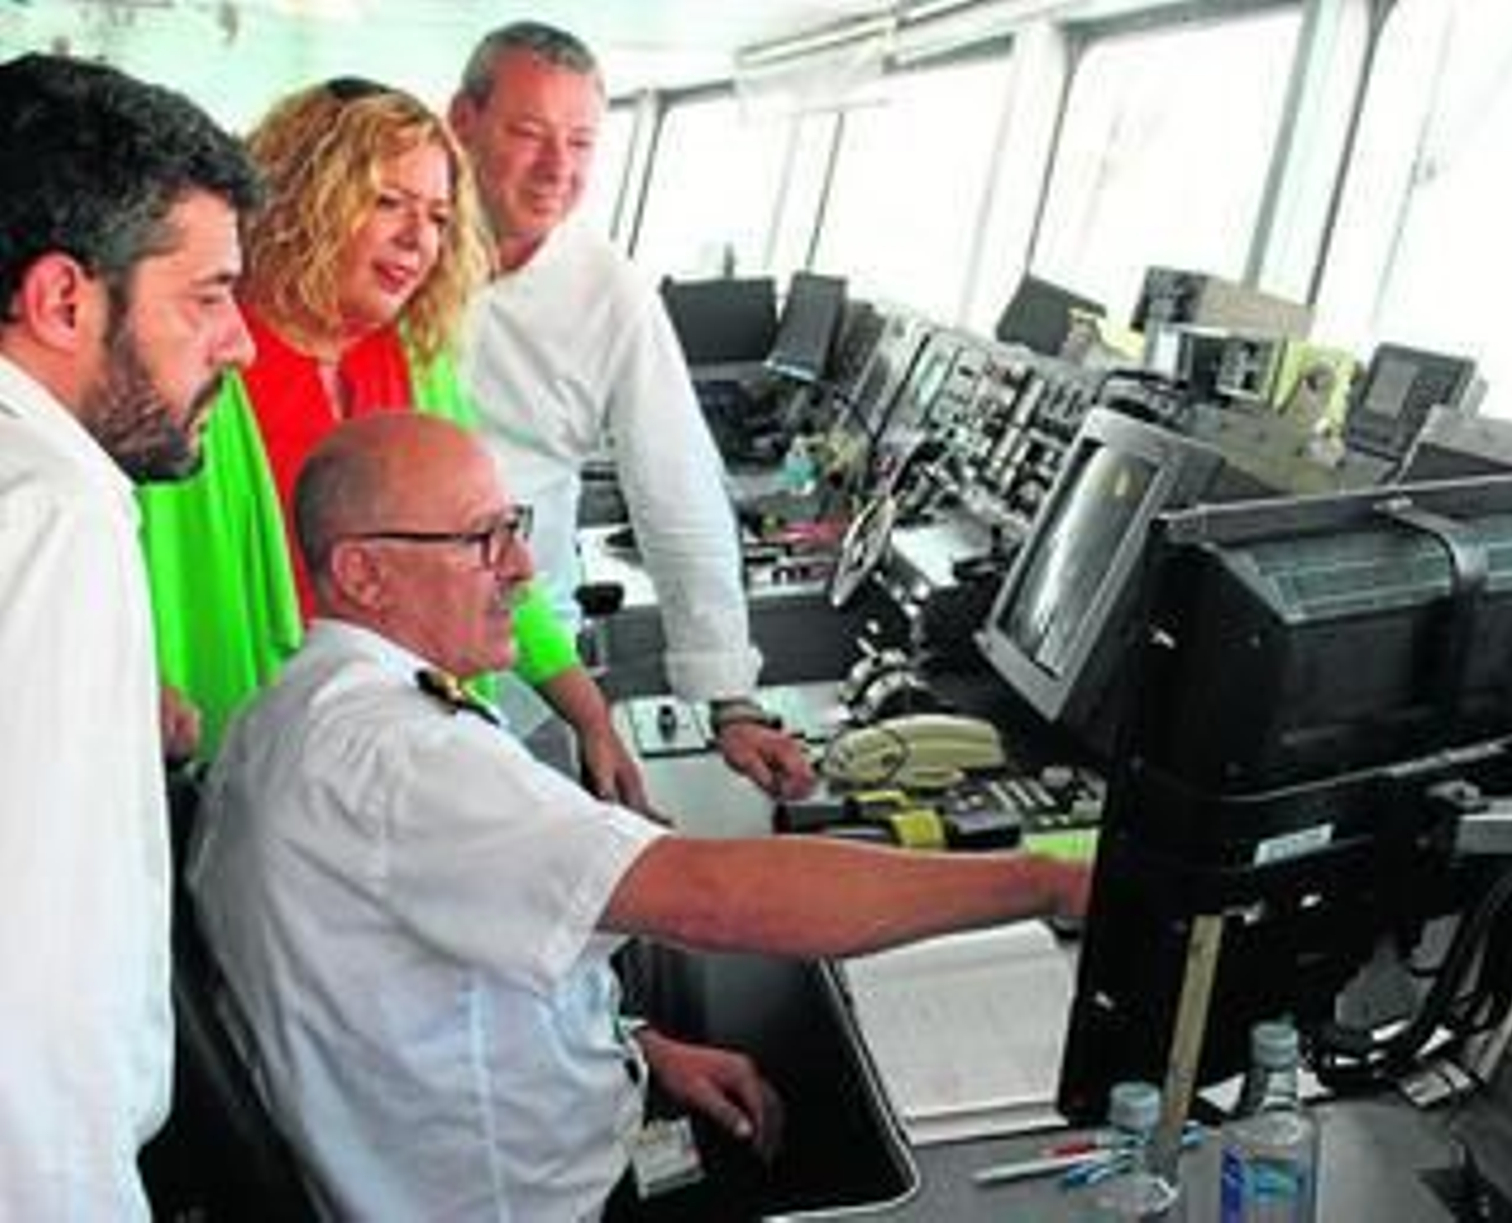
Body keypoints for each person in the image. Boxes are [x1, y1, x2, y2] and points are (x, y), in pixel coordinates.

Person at [189, 412, 1090, 1221]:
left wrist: (637, 1046)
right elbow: (716, 899)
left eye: (513, 527)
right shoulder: (407, 757)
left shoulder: (292, 708)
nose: (521, 567)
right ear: (364, 573)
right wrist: (1043, 882)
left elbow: (417, 987)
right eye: (479, 539)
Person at [138, 78, 644, 803]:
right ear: (305, 197)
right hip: (246, 758)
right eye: (387, 203)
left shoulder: (419, 363)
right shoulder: (204, 354)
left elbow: (486, 551)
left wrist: (589, 715)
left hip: (409, 748)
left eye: (438, 216)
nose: (418, 239)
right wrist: (135, 679)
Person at [0, 53, 259, 1218]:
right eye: (206, 296)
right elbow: (29, 1005)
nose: (240, 343)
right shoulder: (53, 513)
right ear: (65, 300)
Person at [449, 22, 815, 800]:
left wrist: (730, 698)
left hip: (524, 648)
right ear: (463, 121)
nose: (558, 167)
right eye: (528, 133)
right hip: (370, 630)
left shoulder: (610, 292)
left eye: (581, 142)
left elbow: (678, 490)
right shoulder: (395, 250)